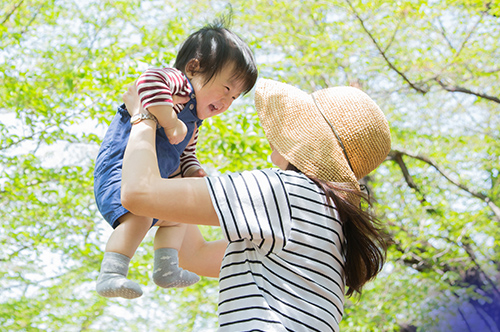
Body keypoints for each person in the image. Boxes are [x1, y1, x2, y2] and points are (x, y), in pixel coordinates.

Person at [120, 78, 392, 331]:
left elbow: (138, 193)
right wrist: (175, 155)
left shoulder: (287, 193)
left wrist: (144, 117)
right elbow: (194, 255)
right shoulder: (329, 222)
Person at [93, 19, 258, 299]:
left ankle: (167, 268)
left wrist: (192, 169)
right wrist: (169, 121)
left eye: (235, 97)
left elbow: (186, 151)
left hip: (153, 181)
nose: (228, 101)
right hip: (120, 171)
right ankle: (111, 273)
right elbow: (147, 82)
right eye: (226, 89)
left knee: (178, 216)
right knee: (139, 218)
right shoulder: (178, 85)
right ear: (193, 68)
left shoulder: (194, 121)